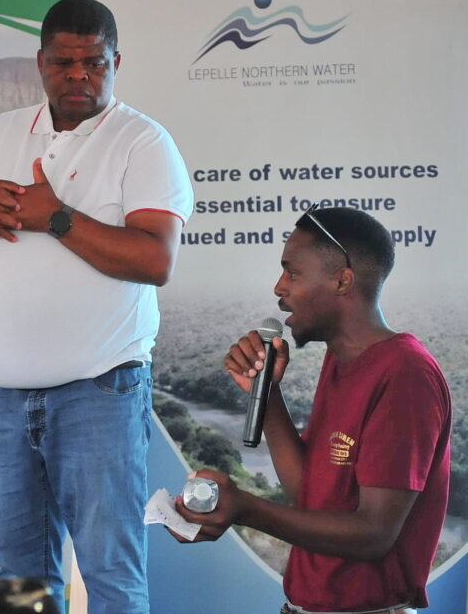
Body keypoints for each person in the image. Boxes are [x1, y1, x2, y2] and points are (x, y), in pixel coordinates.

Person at [0, 0, 194, 613]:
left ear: (116, 62)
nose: (79, 76)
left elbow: (156, 260)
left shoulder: (142, 142)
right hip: (1, 400)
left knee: (110, 575)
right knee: (18, 583)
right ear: (41, 62)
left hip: (98, 392)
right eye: (64, 63)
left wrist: (55, 217)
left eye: (94, 63)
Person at [174, 206, 452, 614]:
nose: (279, 288)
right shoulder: (340, 360)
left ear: (342, 280)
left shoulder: (405, 372)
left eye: (292, 273)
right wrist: (267, 396)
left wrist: (245, 508)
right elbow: (312, 492)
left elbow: (374, 533)